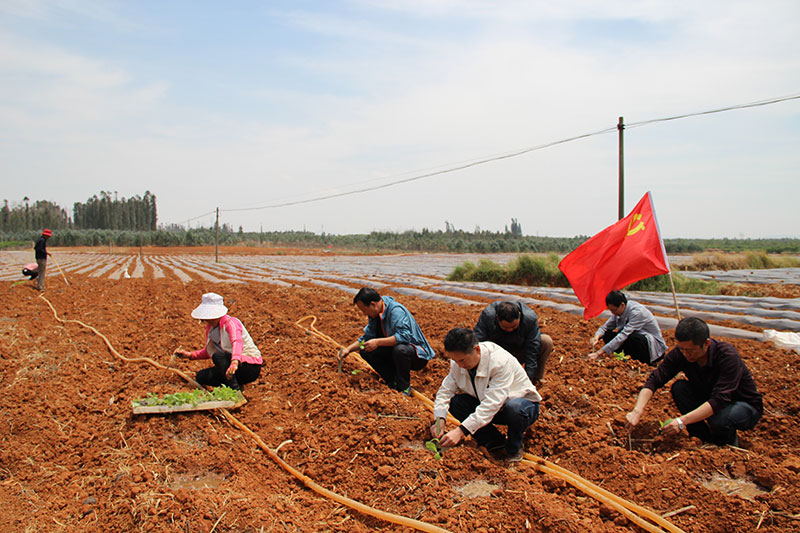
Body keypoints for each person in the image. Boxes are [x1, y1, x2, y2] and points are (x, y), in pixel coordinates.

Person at [625, 317, 763, 447]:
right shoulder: (680, 354)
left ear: (706, 344)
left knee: (720, 420)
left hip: (744, 405)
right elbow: (654, 380)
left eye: (690, 350)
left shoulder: (727, 356)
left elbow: (720, 399)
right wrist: (637, 411)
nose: (685, 354)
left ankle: (725, 447)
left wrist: (681, 421)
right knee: (679, 388)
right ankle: (701, 438)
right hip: (712, 399)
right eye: (681, 349)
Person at [430, 327, 541, 462]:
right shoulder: (458, 362)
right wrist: (439, 419)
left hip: (521, 406)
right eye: (455, 360)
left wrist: (461, 431)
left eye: (462, 360)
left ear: (477, 350)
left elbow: (492, 403)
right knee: (457, 403)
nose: (459, 365)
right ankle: (495, 442)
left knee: (515, 409)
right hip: (491, 406)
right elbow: (445, 391)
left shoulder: (499, 362)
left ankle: (514, 448)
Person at [341, 287, 435, 395]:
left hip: (416, 354)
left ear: (373, 304)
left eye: (364, 310)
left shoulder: (396, 311)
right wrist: (348, 350)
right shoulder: (375, 315)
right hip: (395, 351)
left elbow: (404, 337)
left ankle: (404, 387)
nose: (364, 314)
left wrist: (377, 342)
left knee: (400, 350)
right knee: (366, 350)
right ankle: (393, 381)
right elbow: (367, 337)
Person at [175, 293, 263, 391]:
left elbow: (237, 342)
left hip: (248, 366)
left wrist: (234, 362)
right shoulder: (211, 329)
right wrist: (189, 355)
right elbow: (209, 351)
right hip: (231, 367)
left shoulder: (231, 323)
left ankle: (235, 391)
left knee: (218, 356)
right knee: (201, 376)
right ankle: (235, 384)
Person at [474, 300, 553, 387]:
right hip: (497, 355)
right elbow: (478, 342)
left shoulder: (529, 318)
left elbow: (532, 347)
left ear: (519, 316)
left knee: (546, 341)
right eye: (505, 327)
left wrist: (528, 379)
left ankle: (536, 379)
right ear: (497, 318)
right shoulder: (488, 316)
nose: (510, 330)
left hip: (518, 350)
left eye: (514, 327)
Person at [587, 290, 666, 365]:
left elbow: (623, 335)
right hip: (631, 338)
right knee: (608, 334)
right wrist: (596, 337)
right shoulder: (618, 312)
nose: (612, 313)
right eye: (610, 310)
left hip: (652, 346)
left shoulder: (637, 312)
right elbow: (605, 327)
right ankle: (626, 357)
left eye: (614, 310)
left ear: (622, 305)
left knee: (633, 337)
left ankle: (642, 361)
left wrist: (598, 353)